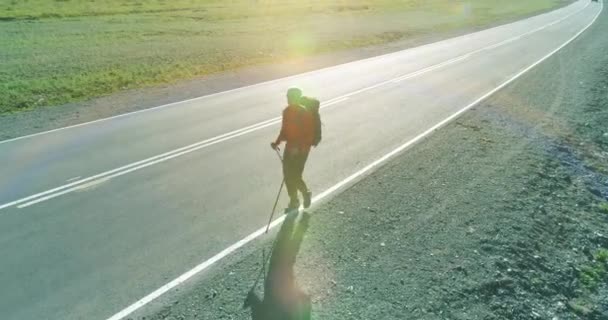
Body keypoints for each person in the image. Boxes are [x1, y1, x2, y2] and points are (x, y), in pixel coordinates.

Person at [244, 212, 312, 320]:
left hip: (283, 286)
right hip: (276, 284)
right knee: (284, 251)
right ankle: (292, 221)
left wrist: (303, 298)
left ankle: (300, 222)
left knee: (289, 253)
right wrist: (252, 299)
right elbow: (259, 312)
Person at [271, 88, 320, 211]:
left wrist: (298, 148)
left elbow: (308, 135)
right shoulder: (287, 111)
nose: (287, 99)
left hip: (302, 150)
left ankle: (305, 192)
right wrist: (276, 142)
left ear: (296, 98)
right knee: (288, 176)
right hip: (290, 148)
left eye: (290, 97)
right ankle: (294, 201)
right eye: (287, 96)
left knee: (294, 175)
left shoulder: (305, 113)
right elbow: (284, 130)